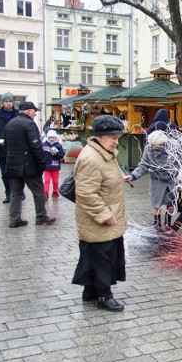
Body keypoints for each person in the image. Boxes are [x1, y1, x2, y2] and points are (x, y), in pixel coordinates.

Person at [72, 115, 128, 312]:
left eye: (117, 137)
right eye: (113, 137)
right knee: (102, 258)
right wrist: (104, 214)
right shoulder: (91, 158)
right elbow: (86, 193)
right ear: (100, 137)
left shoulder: (103, 152)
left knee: (95, 256)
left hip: (104, 217)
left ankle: (90, 291)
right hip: (99, 219)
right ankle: (104, 296)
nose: (116, 141)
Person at [4, 101, 56, 228]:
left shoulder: (10, 123)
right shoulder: (29, 124)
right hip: (28, 166)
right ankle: (41, 217)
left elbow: (6, 146)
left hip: (13, 165)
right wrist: (41, 163)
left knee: (15, 193)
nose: (35, 114)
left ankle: (14, 219)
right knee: (38, 191)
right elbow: (36, 146)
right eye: (34, 111)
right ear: (28, 111)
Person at [124, 130, 176, 229]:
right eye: (154, 145)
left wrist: (176, 174)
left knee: (171, 201)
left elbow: (179, 164)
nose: (156, 147)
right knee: (156, 202)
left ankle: (168, 222)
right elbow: (143, 165)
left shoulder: (172, 149)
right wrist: (133, 176)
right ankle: (156, 223)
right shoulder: (148, 149)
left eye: (159, 145)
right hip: (157, 179)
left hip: (171, 179)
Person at [0, 93, 19, 203]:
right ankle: (8, 193)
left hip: (15, 147)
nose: (8, 103)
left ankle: (18, 192)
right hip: (1, 147)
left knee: (16, 171)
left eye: (10, 101)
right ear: (2, 103)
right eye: (6, 101)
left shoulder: (17, 114)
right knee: (5, 172)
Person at [42, 130, 65, 199]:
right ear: (48, 138)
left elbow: (61, 155)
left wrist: (56, 153)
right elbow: (40, 154)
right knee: (47, 181)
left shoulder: (59, 145)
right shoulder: (43, 145)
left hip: (55, 166)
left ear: (55, 138)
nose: (52, 138)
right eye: (50, 137)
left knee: (55, 181)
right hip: (46, 166)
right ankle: (45, 193)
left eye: (53, 137)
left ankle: (55, 192)